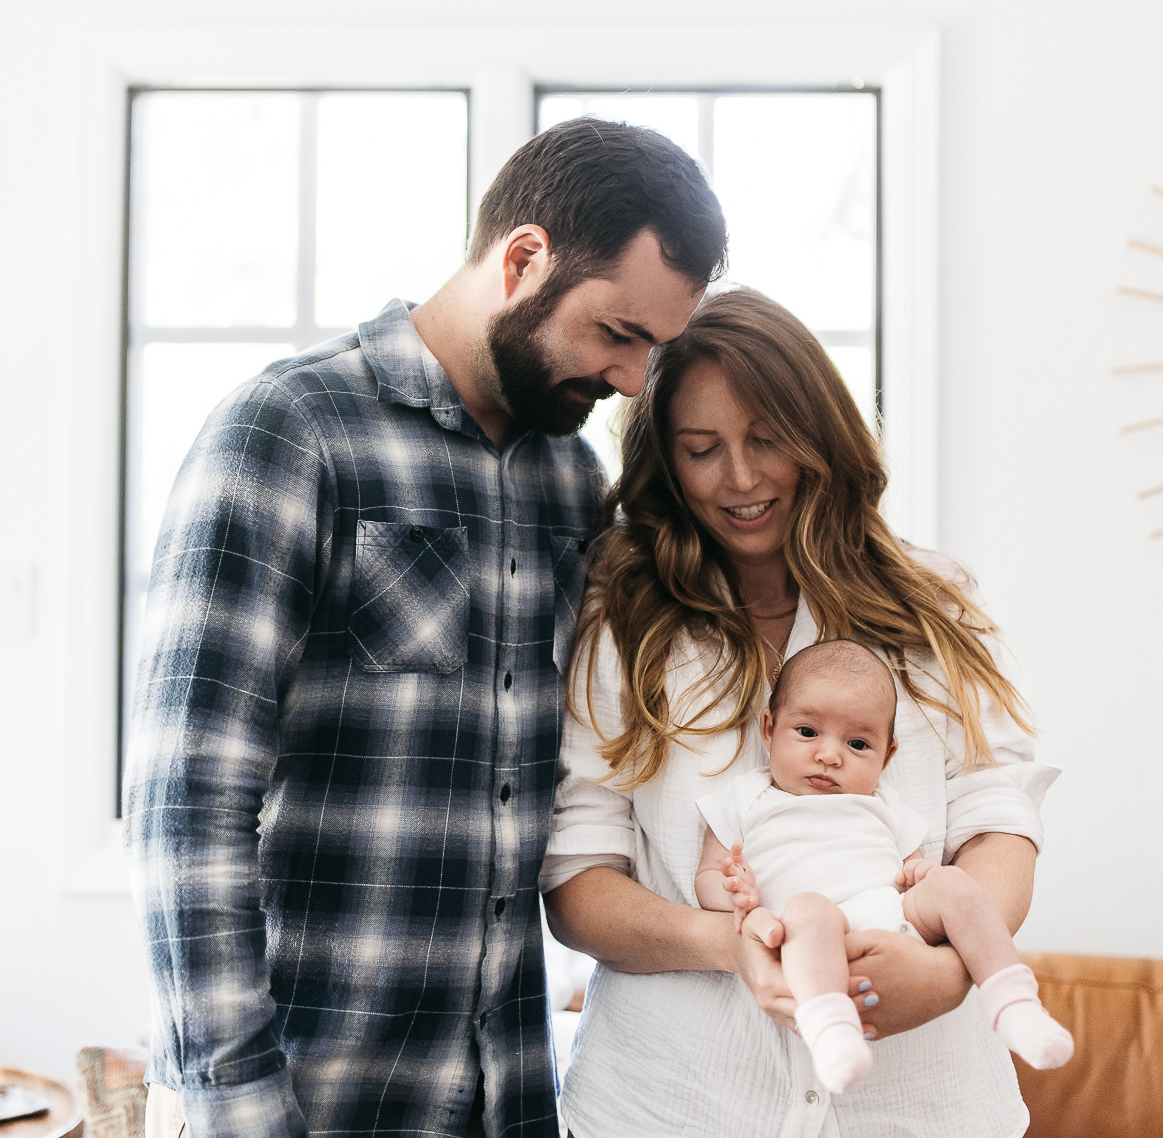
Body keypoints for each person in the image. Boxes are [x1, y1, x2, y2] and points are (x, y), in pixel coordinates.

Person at [124, 117, 727, 1138]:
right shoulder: (291, 431)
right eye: (617, 333)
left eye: (652, 349)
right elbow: (187, 804)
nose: (631, 379)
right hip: (307, 1093)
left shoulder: (566, 479)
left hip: (504, 1092)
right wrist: (235, 1103)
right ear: (524, 258)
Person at [541, 287, 1059, 1138]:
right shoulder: (622, 622)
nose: (740, 479)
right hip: (668, 1107)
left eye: (767, 439)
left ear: (819, 436)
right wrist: (728, 944)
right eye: (701, 450)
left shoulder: (938, 608)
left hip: (920, 1109)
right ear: (666, 464)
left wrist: (947, 971)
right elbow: (577, 879)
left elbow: (997, 820)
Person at [694, 640, 1072, 1095]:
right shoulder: (745, 797)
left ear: (887, 757)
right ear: (770, 729)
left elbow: (912, 866)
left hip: (892, 922)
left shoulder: (883, 804)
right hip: (801, 930)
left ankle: (1012, 1003)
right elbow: (710, 876)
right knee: (810, 909)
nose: (830, 755)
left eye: (857, 744)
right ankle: (832, 1032)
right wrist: (737, 894)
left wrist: (921, 874)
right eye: (808, 732)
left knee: (953, 883)